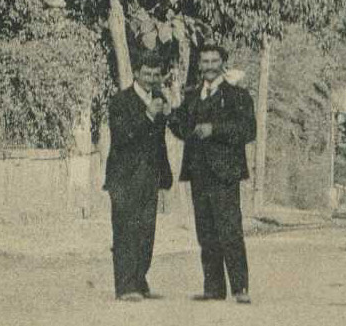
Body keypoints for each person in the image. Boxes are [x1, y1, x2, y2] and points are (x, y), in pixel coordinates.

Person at [168, 42, 258, 303]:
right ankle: (213, 288)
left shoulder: (238, 97)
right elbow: (181, 128)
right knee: (205, 231)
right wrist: (170, 116)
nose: (209, 66)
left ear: (222, 63)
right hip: (198, 172)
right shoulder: (192, 96)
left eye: (213, 61)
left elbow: (247, 130)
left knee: (229, 229)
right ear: (199, 65)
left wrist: (214, 129)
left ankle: (240, 288)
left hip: (225, 173)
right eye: (204, 62)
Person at [103, 54, 175, 301]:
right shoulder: (120, 101)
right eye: (147, 74)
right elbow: (123, 137)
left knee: (146, 231)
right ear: (136, 73)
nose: (151, 79)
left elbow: (161, 142)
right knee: (125, 230)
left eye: (156, 75)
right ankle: (125, 287)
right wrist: (148, 116)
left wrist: (165, 174)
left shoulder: (159, 98)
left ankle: (140, 281)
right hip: (123, 176)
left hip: (149, 176)